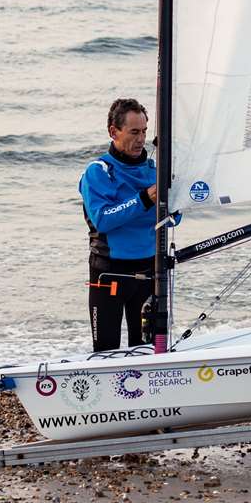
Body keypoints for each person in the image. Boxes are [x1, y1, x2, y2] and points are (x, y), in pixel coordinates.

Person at [80, 98, 157, 351]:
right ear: (114, 132)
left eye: (145, 132)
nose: (141, 139)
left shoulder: (155, 170)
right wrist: (145, 199)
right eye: (134, 132)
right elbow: (104, 219)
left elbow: (174, 218)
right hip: (109, 273)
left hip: (149, 271)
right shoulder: (98, 172)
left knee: (147, 350)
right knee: (106, 352)